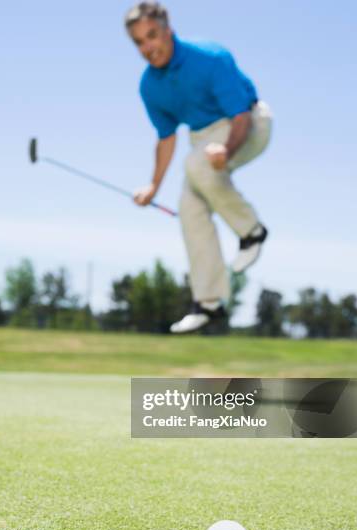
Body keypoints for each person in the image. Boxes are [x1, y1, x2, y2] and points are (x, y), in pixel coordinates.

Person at [125, 2, 272, 333]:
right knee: (189, 207)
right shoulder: (150, 86)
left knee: (197, 164)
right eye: (139, 42)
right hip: (203, 137)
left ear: (167, 29)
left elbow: (242, 117)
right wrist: (152, 187)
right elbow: (166, 139)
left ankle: (252, 232)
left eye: (152, 36)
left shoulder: (210, 57)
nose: (148, 47)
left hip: (250, 123)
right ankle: (208, 302)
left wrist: (227, 149)